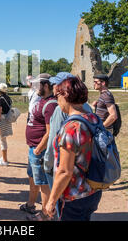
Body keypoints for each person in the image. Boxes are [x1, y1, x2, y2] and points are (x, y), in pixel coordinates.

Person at [44, 76, 102, 221]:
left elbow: (65, 171)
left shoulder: (71, 129)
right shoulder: (93, 119)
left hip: (74, 195)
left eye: (57, 96)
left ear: (65, 95)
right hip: (93, 189)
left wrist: (51, 200)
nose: (57, 101)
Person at [20, 73, 58, 221]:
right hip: (34, 148)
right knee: (34, 177)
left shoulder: (50, 104)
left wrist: (38, 149)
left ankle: (45, 214)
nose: (34, 87)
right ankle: (31, 204)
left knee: (43, 183)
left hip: (39, 150)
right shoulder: (43, 100)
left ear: (46, 86)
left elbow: (50, 132)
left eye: (37, 85)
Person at [0, 83, 13, 167]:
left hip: (2, 121)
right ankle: (4, 157)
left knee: (2, 141)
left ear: (0, 91)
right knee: (3, 140)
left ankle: (4, 161)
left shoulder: (0, 99)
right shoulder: (8, 98)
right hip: (7, 120)